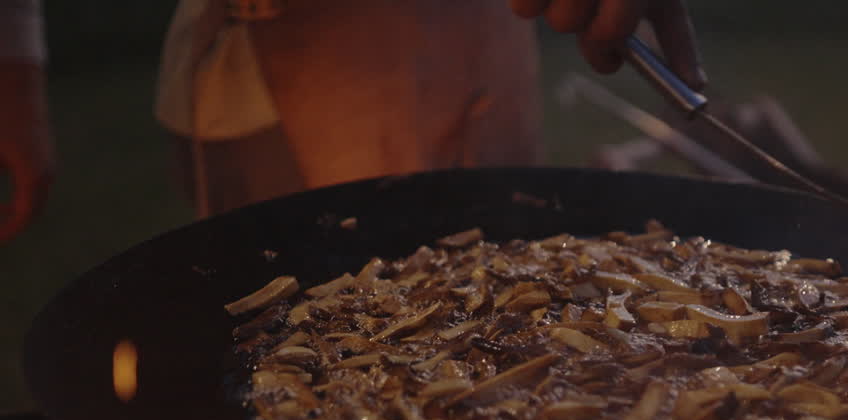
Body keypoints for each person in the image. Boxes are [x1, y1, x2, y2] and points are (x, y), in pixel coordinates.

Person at [0, 0, 704, 244]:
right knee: (328, 352)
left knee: (500, 307)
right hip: (308, 61)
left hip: (485, 44)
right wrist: (12, 48)